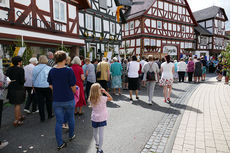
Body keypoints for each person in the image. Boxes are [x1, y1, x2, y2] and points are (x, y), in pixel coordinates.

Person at [48, 51, 76, 150]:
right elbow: (73, 86)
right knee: (71, 118)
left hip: (57, 99)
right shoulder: (69, 70)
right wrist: (73, 92)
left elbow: (50, 85)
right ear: (65, 59)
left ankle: (60, 143)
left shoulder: (52, 71)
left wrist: (57, 90)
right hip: (68, 98)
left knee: (59, 122)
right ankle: (71, 135)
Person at [88, 83, 112, 153]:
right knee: (101, 134)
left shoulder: (91, 98)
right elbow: (111, 98)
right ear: (99, 90)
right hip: (102, 118)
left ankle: (97, 143)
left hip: (94, 118)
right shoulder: (103, 98)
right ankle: (100, 149)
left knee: (95, 132)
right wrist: (105, 92)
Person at [6, 56, 25, 126]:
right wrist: (24, 80)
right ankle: (17, 120)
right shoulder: (21, 70)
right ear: (19, 62)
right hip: (18, 89)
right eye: (21, 61)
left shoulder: (9, 69)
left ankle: (19, 116)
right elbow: (22, 81)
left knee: (16, 104)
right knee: (18, 104)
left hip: (11, 88)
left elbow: (6, 78)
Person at [33, 55, 52, 122]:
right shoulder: (49, 68)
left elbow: (33, 78)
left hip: (37, 86)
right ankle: (50, 114)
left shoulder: (35, 68)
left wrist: (33, 86)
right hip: (47, 86)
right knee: (49, 101)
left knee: (40, 102)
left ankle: (42, 117)